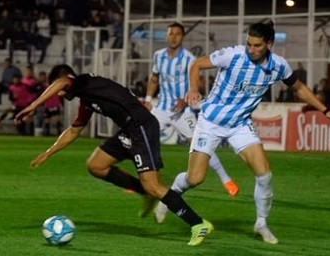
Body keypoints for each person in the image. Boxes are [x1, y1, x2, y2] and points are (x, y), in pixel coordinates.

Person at [154, 21, 330, 244]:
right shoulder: (233, 55)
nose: (251, 49)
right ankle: (170, 196)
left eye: (257, 46)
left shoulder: (278, 65)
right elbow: (197, 64)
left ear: (269, 44)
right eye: (249, 44)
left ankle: (261, 223)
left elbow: (299, 88)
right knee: (195, 178)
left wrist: (326, 109)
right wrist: (193, 89)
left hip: (240, 125)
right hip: (210, 121)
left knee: (264, 174)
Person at [14, 64, 214, 246]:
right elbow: (74, 131)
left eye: (55, 88)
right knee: (96, 165)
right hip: (129, 130)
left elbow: (63, 81)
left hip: (141, 127)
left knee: (153, 185)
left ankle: (198, 223)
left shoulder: (83, 81)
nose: (57, 93)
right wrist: (49, 152)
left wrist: (33, 105)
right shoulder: (87, 97)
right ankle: (143, 192)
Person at [145, 22, 239, 197]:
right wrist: (149, 99)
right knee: (143, 139)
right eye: (170, 33)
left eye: (177, 34)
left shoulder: (189, 58)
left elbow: (200, 84)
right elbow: (154, 78)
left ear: (183, 37)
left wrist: (186, 98)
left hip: (183, 111)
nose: (173, 37)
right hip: (161, 109)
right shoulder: (158, 56)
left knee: (200, 146)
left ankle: (226, 179)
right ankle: (144, 180)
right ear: (167, 36)